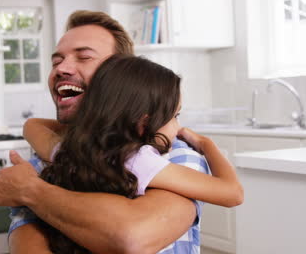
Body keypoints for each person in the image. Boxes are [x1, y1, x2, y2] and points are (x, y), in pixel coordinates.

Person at [0, 10, 236, 254]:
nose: (62, 68)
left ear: (121, 75)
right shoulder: (53, 158)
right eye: (56, 61)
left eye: (84, 57)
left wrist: (32, 191)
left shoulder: (177, 156)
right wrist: (207, 143)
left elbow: (132, 238)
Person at [23, 54, 243, 253]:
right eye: (175, 116)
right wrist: (206, 144)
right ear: (143, 124)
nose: (178, 129)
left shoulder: (67, 151)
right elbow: (232, 193)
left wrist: (90, 126)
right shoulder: (140, 161)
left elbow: (31, 126)